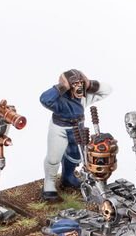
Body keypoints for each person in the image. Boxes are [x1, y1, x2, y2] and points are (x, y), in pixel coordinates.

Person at [39, 69, 111, 200]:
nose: (78, 87)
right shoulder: (59, 99)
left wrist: (89, 84)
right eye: (74, 84)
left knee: (76, 156)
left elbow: (107, 90)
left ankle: (68, 177)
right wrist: (62, 86)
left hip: (78, 128)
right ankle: (49, 182)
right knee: (53, 158)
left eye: (80, 83)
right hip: (59, 129)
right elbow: (44, 99)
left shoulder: (84, 96)